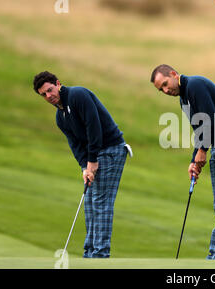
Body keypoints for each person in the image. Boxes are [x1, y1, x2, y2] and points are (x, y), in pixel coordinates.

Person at [150, 64, 215, 260]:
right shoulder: (184, 99)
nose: (165, 90)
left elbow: (211, 120)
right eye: (160, 90)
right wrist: (194, 160)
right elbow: (200, 131)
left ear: (173, 74)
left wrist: (203, 150)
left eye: (164, 84)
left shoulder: (195, 85)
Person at [33, 71, 131, 258]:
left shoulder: (78, 95)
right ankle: (90, 251)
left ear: (58, 84)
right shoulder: (60, 117)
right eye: (43, 95)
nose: (48, 96)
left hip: (111, 149)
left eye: (50, 90)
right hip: (94, 155)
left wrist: (92, 160)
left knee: (101, 201)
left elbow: (93, 127)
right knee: (89, 202)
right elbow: (75, 144)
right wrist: (84, 167)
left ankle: (100, 253)